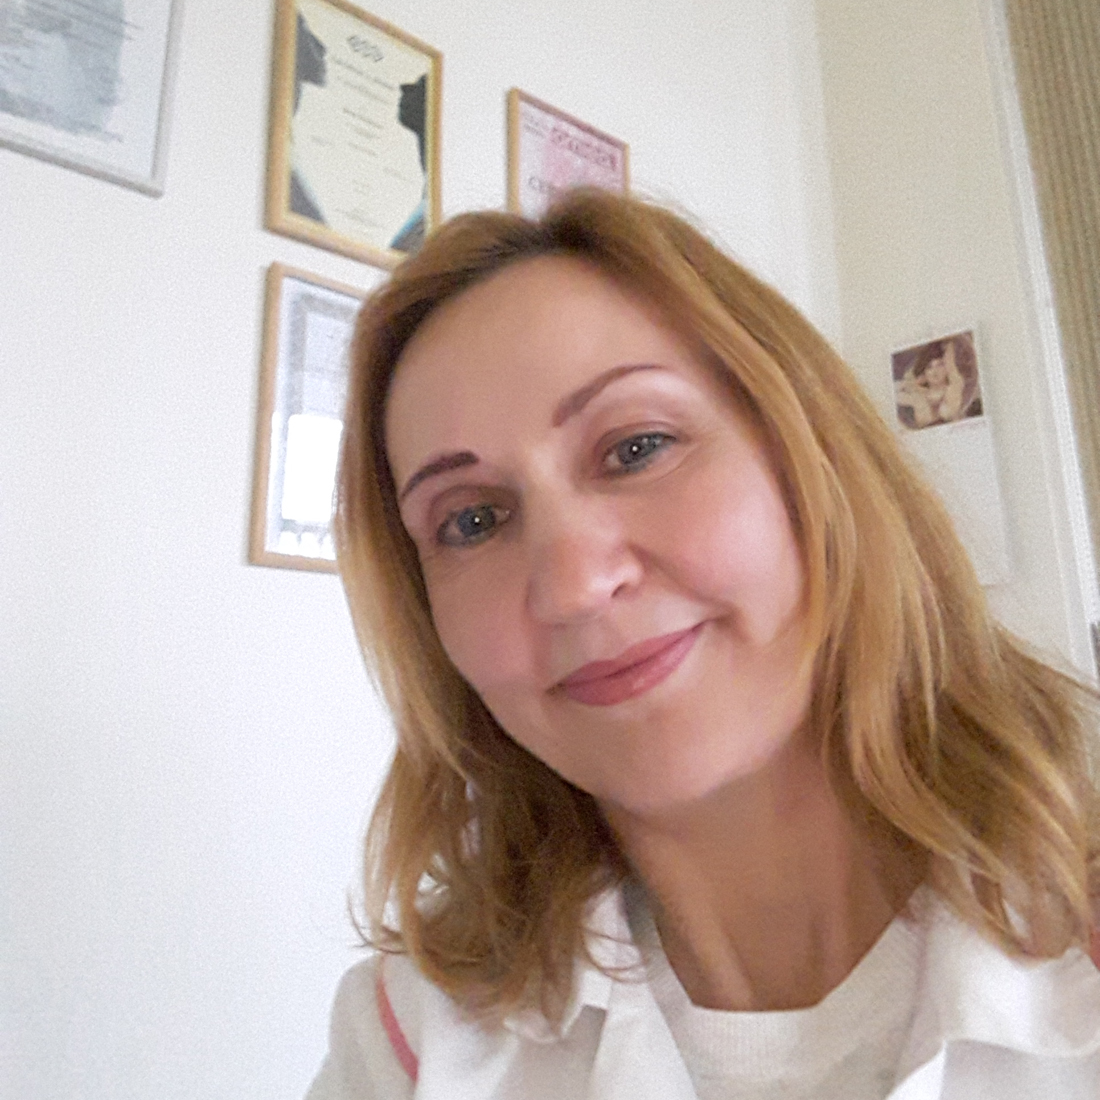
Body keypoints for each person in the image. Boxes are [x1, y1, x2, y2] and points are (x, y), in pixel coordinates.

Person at [308, 191, 1100, 1100]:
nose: (573, 585)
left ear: (810, 457)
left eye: (637, 447)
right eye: (473, 520)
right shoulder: (409, 1037)